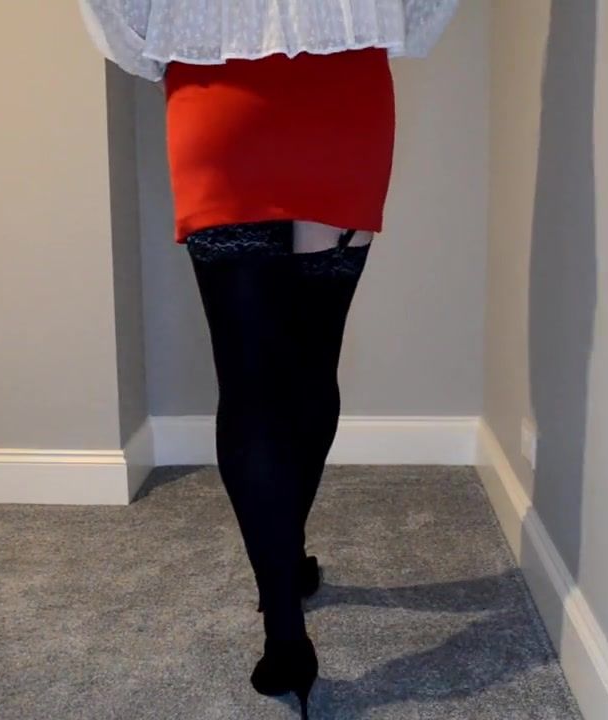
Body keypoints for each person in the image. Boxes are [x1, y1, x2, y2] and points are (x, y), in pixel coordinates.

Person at [78, 2, 458, 717]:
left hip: (216, 88)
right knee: (312, 366)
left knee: (251, 387)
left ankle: (285, 624)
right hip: (343, 86)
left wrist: (152, 43)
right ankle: (285, 555)